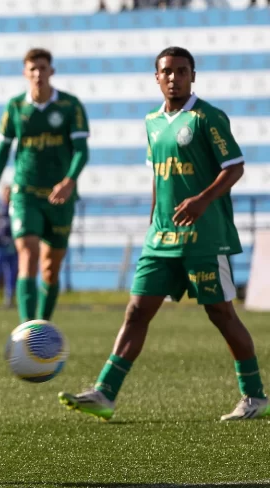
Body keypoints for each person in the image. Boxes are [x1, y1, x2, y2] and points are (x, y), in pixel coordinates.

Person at [58, 46, 267, 421]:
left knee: (221, 313)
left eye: (182, 71)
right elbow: (158, 175)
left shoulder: (208, 117)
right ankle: (105, 393)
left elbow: (234, 167)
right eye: (167, 72)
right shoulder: (152, 122)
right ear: (157, 78)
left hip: (204, 236)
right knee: (137, 311)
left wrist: (202, 200)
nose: (174, 77)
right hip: (161, 238)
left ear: (193, 76)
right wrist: (154, 219)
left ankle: (254, 396)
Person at [0, 48, 90, 324]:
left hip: (59, 197)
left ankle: (43, 324)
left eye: (42, 68)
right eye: (32, 69)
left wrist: (69, 181)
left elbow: (81, 150)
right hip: (25, 193)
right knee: (28, 252)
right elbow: (2, 151)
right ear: (25, 73)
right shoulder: (16, 107)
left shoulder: (70, 106)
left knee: (50, 268)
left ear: (51, 71)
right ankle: (27, 329)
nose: (37, 74)